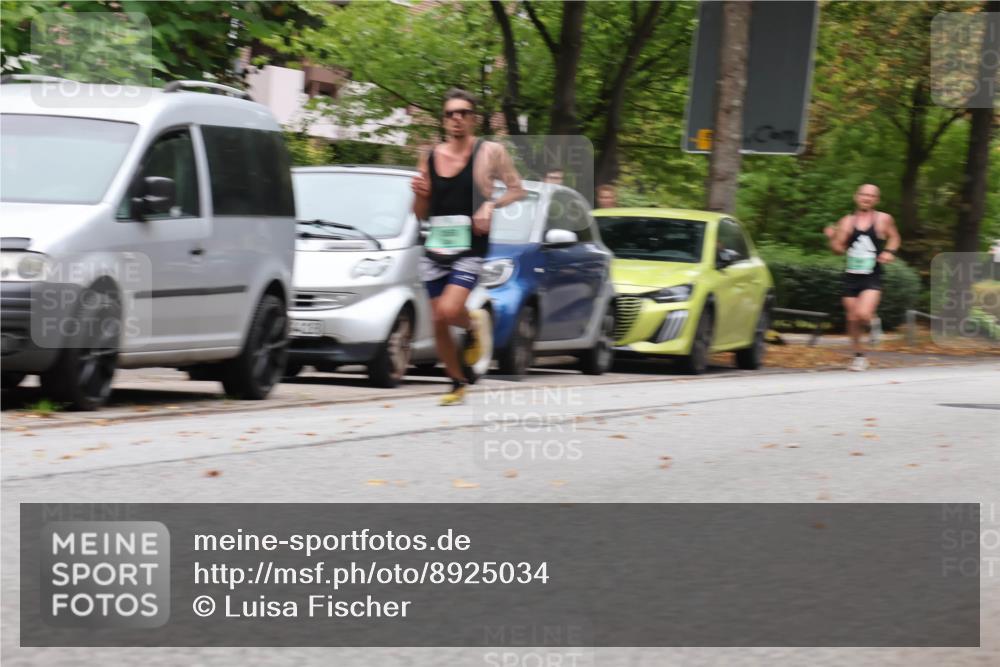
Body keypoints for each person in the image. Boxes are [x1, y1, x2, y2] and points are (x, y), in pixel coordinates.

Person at [411, 88, 524, 405]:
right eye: (451, 114)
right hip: (435, 246)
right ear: (444, 120)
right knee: (438, 321)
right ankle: (457, 383)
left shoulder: (490, 152)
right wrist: (419, 193)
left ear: (473, 119)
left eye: (463, 113)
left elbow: (518, 190)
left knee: (449, 311)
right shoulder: (430, 156)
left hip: (471, 246)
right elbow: (420, 213)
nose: (457, 119)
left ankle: (474, 321)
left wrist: (491, 204)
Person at [824, 184, 901, 371]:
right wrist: (832, 238)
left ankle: (874, 322)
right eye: (863, 195)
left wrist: (889, 252)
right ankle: (858, 356)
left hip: (872, 275)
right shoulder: (847, 222)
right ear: (856, 196)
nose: (866, 198)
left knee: (863, 313)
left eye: (871, 196)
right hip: (851, 274)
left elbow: (895, 238)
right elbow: (838, 250)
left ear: (876, 200)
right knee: (852, 318)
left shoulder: (883, 219)